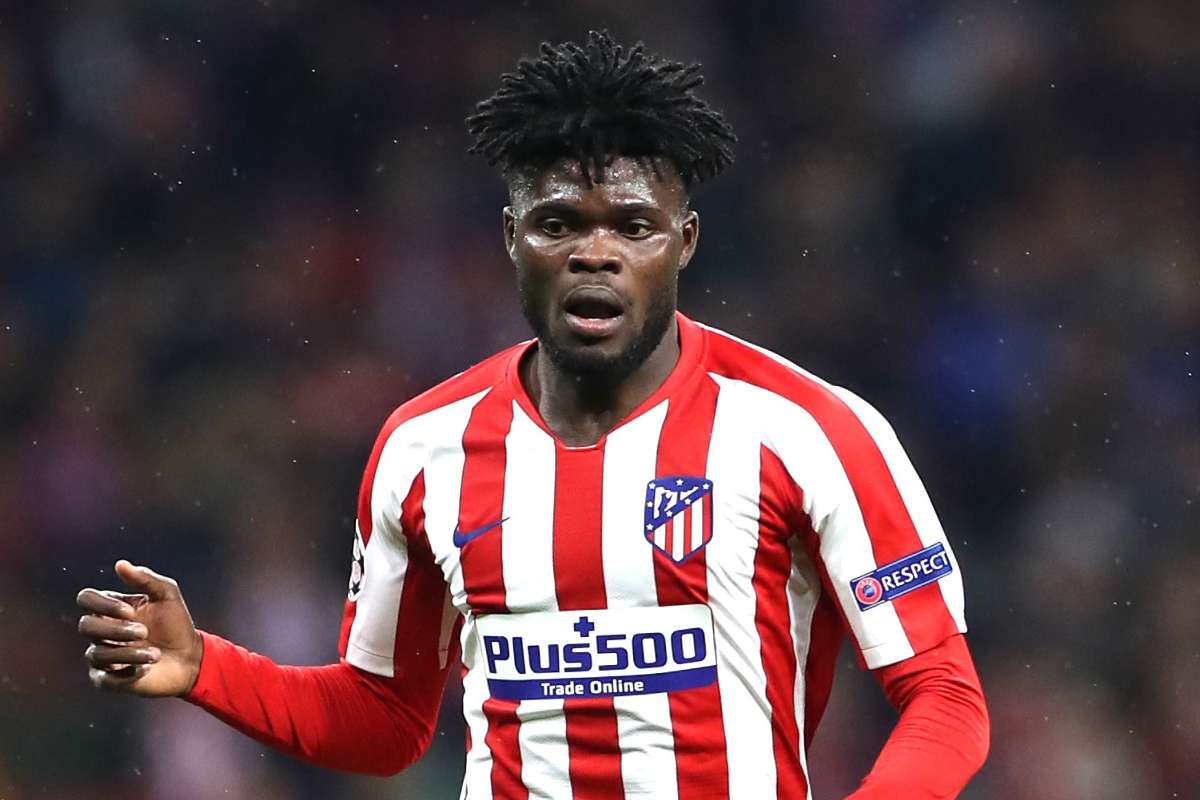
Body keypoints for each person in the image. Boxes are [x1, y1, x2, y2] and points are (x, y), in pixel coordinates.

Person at [77, 31, 989, 799]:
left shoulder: (806, 429)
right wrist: (208, 668)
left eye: (633, 226)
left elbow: (945, 696)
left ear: (684, 242)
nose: (596, 254)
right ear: (513, 237)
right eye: (559, 224)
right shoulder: (423, 448)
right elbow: (385, 718)